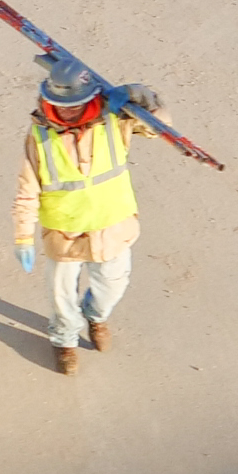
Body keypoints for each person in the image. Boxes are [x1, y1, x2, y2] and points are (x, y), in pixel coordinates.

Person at [14, 58, 147, 376]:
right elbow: (27, 189)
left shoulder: (116, 121)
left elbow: (160, 122)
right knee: (61, 298)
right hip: (65, 233)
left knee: (112, 287)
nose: (67, 111)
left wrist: (136, 94)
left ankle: (96, 317)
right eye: (60, 104)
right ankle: (64, 342)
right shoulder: (40, 137)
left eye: (74, 104)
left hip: (112, 228)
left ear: (89, 99)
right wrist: (22, 236)